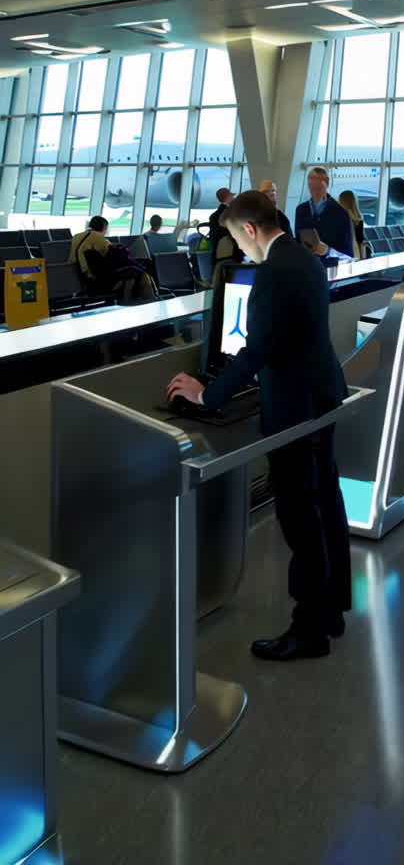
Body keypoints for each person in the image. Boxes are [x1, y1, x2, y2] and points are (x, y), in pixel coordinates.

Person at [168, 191, 350, 662]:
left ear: (249, 229)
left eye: (236, 237)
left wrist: (207, 394)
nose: (241, 249)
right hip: (323, 393)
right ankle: (330, 608)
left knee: (299, 514)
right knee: (324, 500)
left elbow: (256, 350)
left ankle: (308, 628)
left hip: (294, 407)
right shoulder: (306, 257)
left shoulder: (272, 271)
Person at [70, 216, 155, 303]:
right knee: (138, 273)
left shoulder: (76, 237)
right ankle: (148, 302)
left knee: (130, 278)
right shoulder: (97, 237)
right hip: (93, 279)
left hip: (78, 279)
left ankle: (130, 302)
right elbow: (113, 256)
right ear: (104, 228)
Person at [295, 167, 354, 259]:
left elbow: (348, 255)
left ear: (327, 183)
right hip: (306, 266)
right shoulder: (301, 210)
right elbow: (298, 242)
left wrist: (328, 251)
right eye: (312, 183)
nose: (314, 187)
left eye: (318, 184)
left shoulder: (341, 213)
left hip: (329, 268)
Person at [208, 187, 236, 266]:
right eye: (231, 196)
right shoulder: (231, 214)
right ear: (228, 198)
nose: (233, 198)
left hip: (218, 251)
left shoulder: (213, 216)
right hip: (230, 251)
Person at [338, 190, 368, 259]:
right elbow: (360, 241)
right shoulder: (358, 219)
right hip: (354, 253)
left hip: (340, 253)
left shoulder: (337, 217)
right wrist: (363, 259)